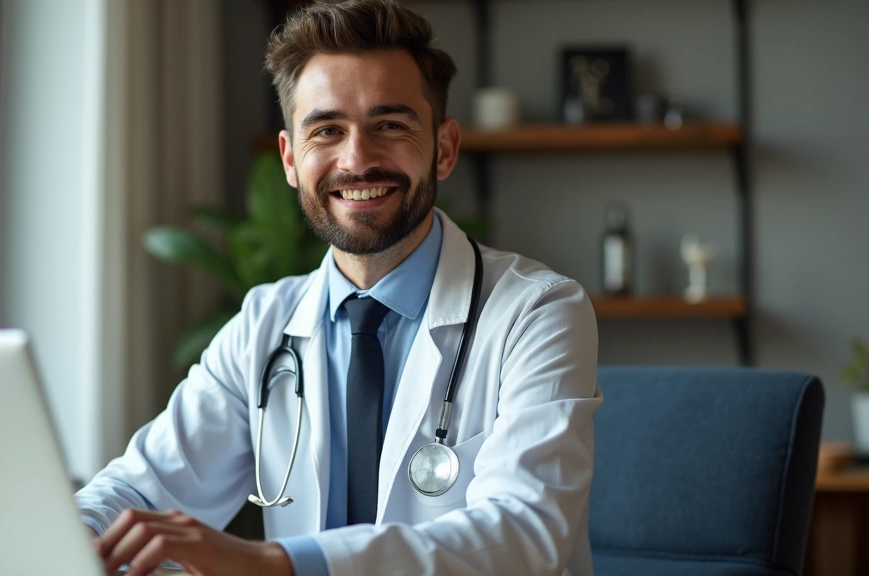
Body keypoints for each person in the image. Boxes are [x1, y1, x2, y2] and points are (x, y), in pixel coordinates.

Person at [75, 1, 601, 575]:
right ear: (290, 159)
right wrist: (71, 534)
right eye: (327, 130)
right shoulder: (263, 325)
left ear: (444, 148)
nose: (357, 159)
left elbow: (523, 533)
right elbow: (140, 493)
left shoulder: (537, 311)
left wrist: (280, 564)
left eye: (391, 126)